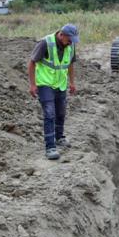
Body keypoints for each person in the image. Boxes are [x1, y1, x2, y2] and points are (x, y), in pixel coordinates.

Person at [28, 24, 78, 160]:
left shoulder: (70, 45)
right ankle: (50, 147)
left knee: (61, 112)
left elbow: (70, 64)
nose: (71, 42)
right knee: (50, 114)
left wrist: (72, 82)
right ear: (62, 35)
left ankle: (59, 137)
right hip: (45, 84)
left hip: (60, 84)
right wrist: (32, 85)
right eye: (69, 39)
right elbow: (32, 62)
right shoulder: (45, 43)